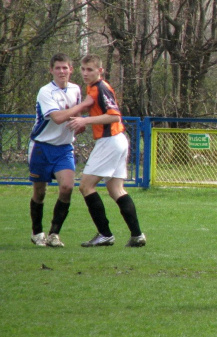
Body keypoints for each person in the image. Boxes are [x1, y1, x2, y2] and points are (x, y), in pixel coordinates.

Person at [67, 54, 146, 248]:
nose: (85, 73)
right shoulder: (93, 87)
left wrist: (85, 120)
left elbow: (114, 116)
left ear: (100, 71)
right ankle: (137, 235)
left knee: (86, 186)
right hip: (118, 140)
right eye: (83, 70)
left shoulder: (101, 87)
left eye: (90, 70)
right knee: (115, 189)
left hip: (110, 141)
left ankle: (105, 234)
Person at [28, 53, 93, 247]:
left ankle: (54, 234)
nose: (62, 71)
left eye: (65, 67)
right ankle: (36, 232)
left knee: (66, 188)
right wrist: (84, 105)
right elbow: (56, 117)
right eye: (58, 68)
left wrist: (80, 124)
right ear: (51, 70)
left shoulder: (75, 89)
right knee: (40, 192)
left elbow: (76, 117)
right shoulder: (45, 91)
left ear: (71, 70)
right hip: (41, 146)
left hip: (64, 148)